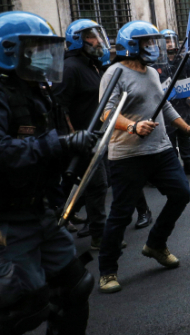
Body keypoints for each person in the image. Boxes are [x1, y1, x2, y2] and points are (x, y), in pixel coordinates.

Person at [0, 11, 99, 335]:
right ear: (10, 50)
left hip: (40, 210)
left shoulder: (37, 91)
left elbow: (48, 145)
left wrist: (74, 149)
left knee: (75, 288)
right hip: (8, 219)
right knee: (22, 307)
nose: (45, 57)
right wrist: (60, 144)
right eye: (37, 49)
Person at [96, 21, 190, 294]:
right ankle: (107, 271)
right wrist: (132, 126)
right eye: (146, 42)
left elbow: (163, 103)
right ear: (132, 45)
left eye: (152, 41)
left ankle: (156, 244)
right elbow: (106, 113)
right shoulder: (114, 73)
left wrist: (186, 127)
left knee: (181, 193)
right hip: (128, 155)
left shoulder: (151, 72)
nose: (152, 46)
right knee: (121, 214)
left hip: (161, 149)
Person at [53, 19, 111, 248]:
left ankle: (60, 220)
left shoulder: (92, 65)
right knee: (98, 185)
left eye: (98, 35)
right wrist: (74, 137)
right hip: (82, 141)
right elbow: (60, 106)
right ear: (77, 40)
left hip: (97, 137)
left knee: (81, 186)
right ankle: (99, 235)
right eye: (91, 36)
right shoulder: (70, 68)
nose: (97, 41)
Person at [159, 29, 190, 175]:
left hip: (182, 103)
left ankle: (189, 163)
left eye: (172, 41)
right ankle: (174, 166)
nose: (170, 44)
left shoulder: (183, 60)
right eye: (167, 42)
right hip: (167, 104)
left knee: (185, 134)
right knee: (169, 138)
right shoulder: (158, 63)